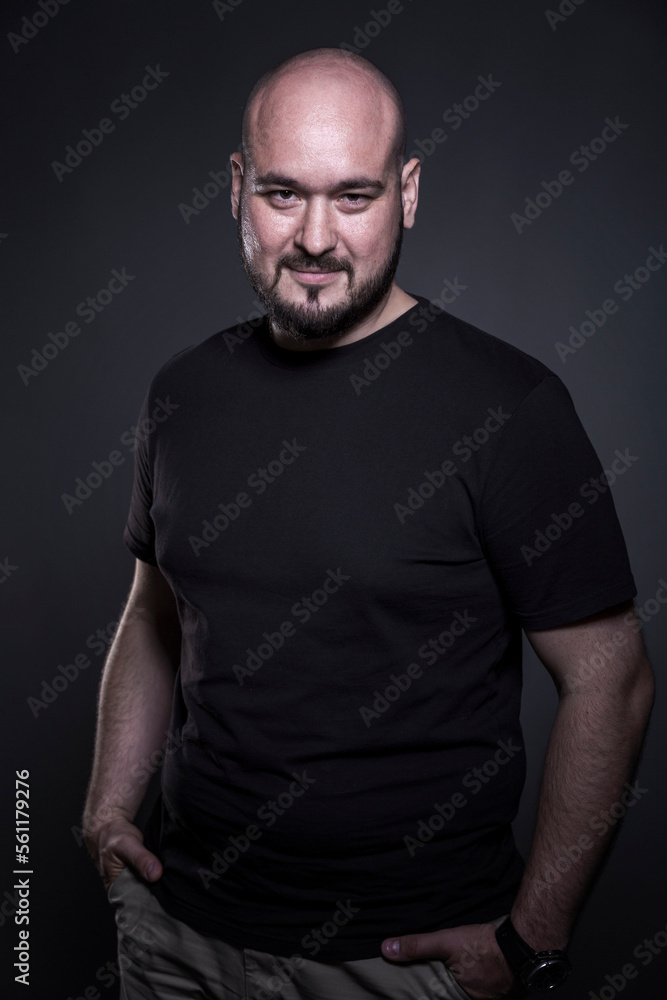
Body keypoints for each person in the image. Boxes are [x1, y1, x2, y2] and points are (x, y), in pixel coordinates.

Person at [83, 47, 654, 1000]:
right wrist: (105, 812)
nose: (314, 236)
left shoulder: (509, 406)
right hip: (175, 936)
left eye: (353, 196)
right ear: (236, 189)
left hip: (398, 964)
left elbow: (613, 681)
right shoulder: (181, 392)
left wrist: (530, 942)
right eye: (281, 193)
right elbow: (152, 613)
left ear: (408, 192)